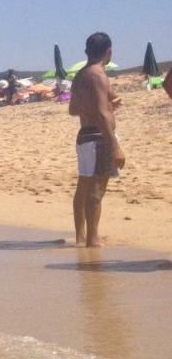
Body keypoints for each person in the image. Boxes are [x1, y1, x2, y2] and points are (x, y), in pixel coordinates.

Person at [69, 31, 125, 247]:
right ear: (108, 51)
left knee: (84, 185)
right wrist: (115, 145)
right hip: (99, 136)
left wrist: (108, 105)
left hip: (84, 135)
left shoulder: (81, 75)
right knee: (97, 189)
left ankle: (80, 237)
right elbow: (102, 113)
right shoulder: (98, 75)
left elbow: (73, 109)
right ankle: (93, 239)